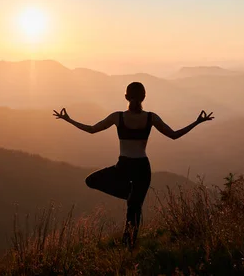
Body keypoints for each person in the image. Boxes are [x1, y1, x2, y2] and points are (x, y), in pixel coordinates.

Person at [53, 81, 214, 248]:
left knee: (93, 181)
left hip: (123, 167)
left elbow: (92, 129)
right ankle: (129, 241)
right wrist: (196, 122)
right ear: (144, 97)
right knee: (134, 210)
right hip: (143, 168)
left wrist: (69, 119)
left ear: (126, 97)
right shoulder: (151, 117)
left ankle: (127, 243)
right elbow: (173, 135)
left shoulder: (118, 117)